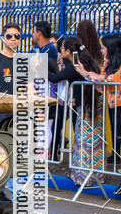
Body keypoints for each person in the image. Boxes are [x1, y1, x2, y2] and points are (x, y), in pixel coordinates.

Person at [48, 36, 103, 181]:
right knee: (94, 141)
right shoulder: (88, 61)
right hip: (94, 106)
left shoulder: (76, 66)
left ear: (67, 51)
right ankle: (95, 175)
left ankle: (82, 176)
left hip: (85, 107)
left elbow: (55, 78)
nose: (60, 51)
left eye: (62, 48)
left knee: (82, 141)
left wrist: (38, 70)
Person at [77, 33, 121, 169]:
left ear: (112, 48)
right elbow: (101, 80)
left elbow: (116, 78)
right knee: (116, 132)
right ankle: (116, 155)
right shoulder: (108, 63)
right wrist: (86, 74)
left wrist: (102, 78)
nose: (101, 51)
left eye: (104, 48)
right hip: (113, 104)